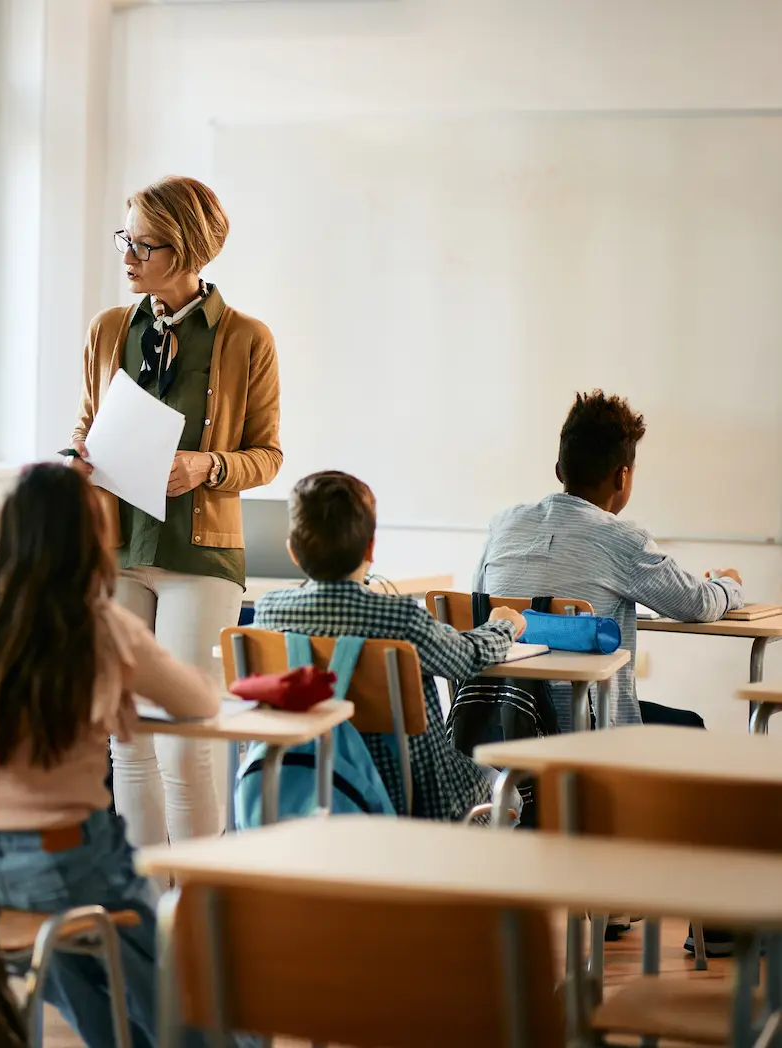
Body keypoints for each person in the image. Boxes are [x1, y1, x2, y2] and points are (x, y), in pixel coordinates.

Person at [0, 463, 219, 1048]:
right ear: (91, 539)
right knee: (174, 994)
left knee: (78, 974)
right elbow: (199, 700)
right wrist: (114, 687)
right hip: (69, 863)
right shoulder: (99, 628)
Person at [69, 175, 283, 846]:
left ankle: (198, 908)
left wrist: (207, 466)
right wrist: (80, 455)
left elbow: (268, 455)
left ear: (186, 250)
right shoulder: (108, 331)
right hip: (117, 549)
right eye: (124, 239)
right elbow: (86, 424)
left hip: (199, 554)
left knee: (186, 742)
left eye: (143, 245)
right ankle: (144, 911)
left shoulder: (247, 339)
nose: (127, 256)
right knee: (127, 738)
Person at [252, 471, 526, 821]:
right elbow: (467, 657)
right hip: (413, 796)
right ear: (371, 547)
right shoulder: (399, 619)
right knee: (507, 789)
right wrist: (504, 624)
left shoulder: (269, 613)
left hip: (305, 791)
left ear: (292, 550)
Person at [475, 391, 744, 732]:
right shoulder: (623, 541)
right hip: (582, 732)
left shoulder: (503, 525)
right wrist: (728, 583)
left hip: (498, 727)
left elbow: (479, 605)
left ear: (559, 470)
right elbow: (698, 603)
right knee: (689, 726)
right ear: (622, 477)